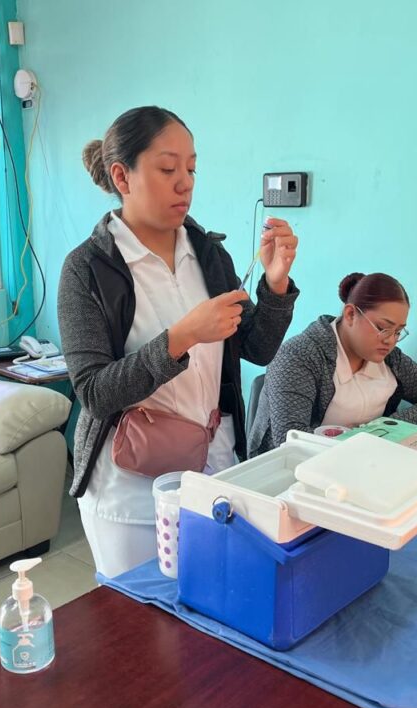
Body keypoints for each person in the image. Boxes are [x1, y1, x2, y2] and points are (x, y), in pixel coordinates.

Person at [57, 106, 300, 578]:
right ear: (122, 176)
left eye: (191, 169)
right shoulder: (86, 269)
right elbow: (94, 391)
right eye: (168, 169)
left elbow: (255, 348)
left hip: (214, 471)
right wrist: (183, 336)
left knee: (212, 605)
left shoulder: (208, 255)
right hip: (131, 487)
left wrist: (275, 285)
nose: (184, 183)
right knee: (136, 617)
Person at [249, 271, 417, 455]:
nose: (390, 340)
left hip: (365, 466)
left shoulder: (389, 358)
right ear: (351, 314)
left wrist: (396, 431)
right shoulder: (300, 355)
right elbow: (291, 442)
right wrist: (383, 441)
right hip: (296, 475)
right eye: (383, 328)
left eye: (398, 332)